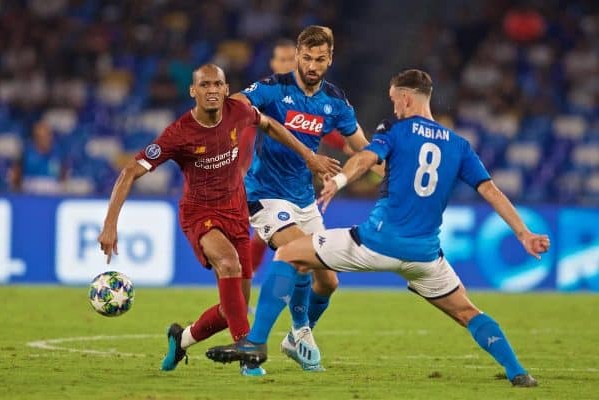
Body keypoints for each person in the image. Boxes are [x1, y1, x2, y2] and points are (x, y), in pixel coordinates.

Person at [206, 69, 549, 387]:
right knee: (467, 311)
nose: (394, 107)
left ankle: (257, 342)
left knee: (290, 253)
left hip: (375, 243)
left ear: (405, 99)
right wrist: (524, 234)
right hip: (424, 255)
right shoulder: (459, 145)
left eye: (394, 100)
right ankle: (518, 373)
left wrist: (339, 180)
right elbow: (490, 190)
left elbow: (367, 157)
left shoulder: (395, 130)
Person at [97, 64, 339, 376]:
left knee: (231, 309)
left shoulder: (238, 111)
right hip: (199, 214)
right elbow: (130, 171)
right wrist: (110, 223)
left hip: (237, 213)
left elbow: (269, 125)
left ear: (226, 89)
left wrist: (308, 156)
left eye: (218, 85)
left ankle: (180, 339)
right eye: (205, 85)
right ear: (193, 91)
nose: (212, 90)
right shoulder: (179, 133)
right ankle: (249, 358)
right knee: (229, 264)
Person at [230, 25, 382, 371]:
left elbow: (364, 148)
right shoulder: (272, 88)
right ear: (298, 56)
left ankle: (298, 335)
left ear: (329, 61)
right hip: (266, 195)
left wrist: (389, 173)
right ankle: (277, 338)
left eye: (320, 59)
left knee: (328, 280)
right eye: (307, 58)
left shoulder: (334, 101)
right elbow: (236, 104)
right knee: (297, 251)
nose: (313, 65)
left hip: (303, 198)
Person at [239, 38, 354, 274]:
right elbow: (240, 136)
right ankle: (241, 297)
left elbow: (328, 132)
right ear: (272, 62)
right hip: (260, 187)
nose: (286, 64)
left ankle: (248, 295)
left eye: (291, 60)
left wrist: (350, 151)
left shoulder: (313, 100)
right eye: (281, 59)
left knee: (290, 252)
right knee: (289, 248)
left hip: (298, 194)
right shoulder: (266, 95)